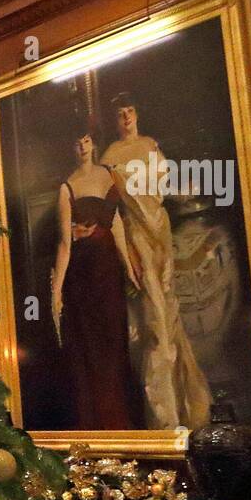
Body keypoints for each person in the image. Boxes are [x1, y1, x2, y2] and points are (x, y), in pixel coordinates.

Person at [101, 92, 211, 429]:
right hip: (136, 234)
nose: (127, 117)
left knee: (170, 312)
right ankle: (164, 420)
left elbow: (162, 188)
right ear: (115, 119)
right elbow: (114, 211)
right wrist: (127, 253)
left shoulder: (151, 145)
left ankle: (184, 407)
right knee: (155, 322)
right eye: (120, 113)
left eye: (131, 110)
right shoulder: (112, 155)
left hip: (159, 229)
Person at [51, 126, 140, 428]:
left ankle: (122, 423)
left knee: (115, 345)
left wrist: (128, 266)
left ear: (93, 143)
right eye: (77, 141)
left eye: (86, 140)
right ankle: (100, 425)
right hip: (83, 275)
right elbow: (65, 243)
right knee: (91, 351)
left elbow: (116, 223)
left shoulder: (108, 175)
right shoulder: (67, 187)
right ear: (71, 147)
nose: (82, 146)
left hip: (108, 272)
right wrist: (57, 291)